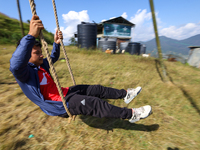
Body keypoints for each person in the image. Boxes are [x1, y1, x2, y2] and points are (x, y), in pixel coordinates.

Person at [10, 15, 152, 123]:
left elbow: (53, 56)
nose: (41, 54)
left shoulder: (41, 65)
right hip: (61, 104)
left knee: (96, 89)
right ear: (25, 56)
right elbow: (15, 65)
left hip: (65, 92)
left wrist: (56, 43)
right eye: (36, 53)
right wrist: (30, 37)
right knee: (94, 103)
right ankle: (132, 114)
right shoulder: (24, 73)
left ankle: (125, 94)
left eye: (40, 51)